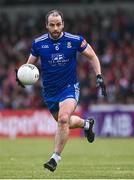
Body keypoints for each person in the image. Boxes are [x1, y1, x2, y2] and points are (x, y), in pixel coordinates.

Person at [15, 9, 107, 172]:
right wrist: (21, 77)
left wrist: (99, 75)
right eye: (52, 25)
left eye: (58, 24)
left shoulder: (75, 40)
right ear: (47, 26)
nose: (56, 28)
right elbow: (29, 66)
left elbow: (92, 56)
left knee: (63, 119)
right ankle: (86, 124)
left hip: (69, 88)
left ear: (63, 24)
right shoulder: (38, 43)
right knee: (64, 121)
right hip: (50, 92)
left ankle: (55, 158)